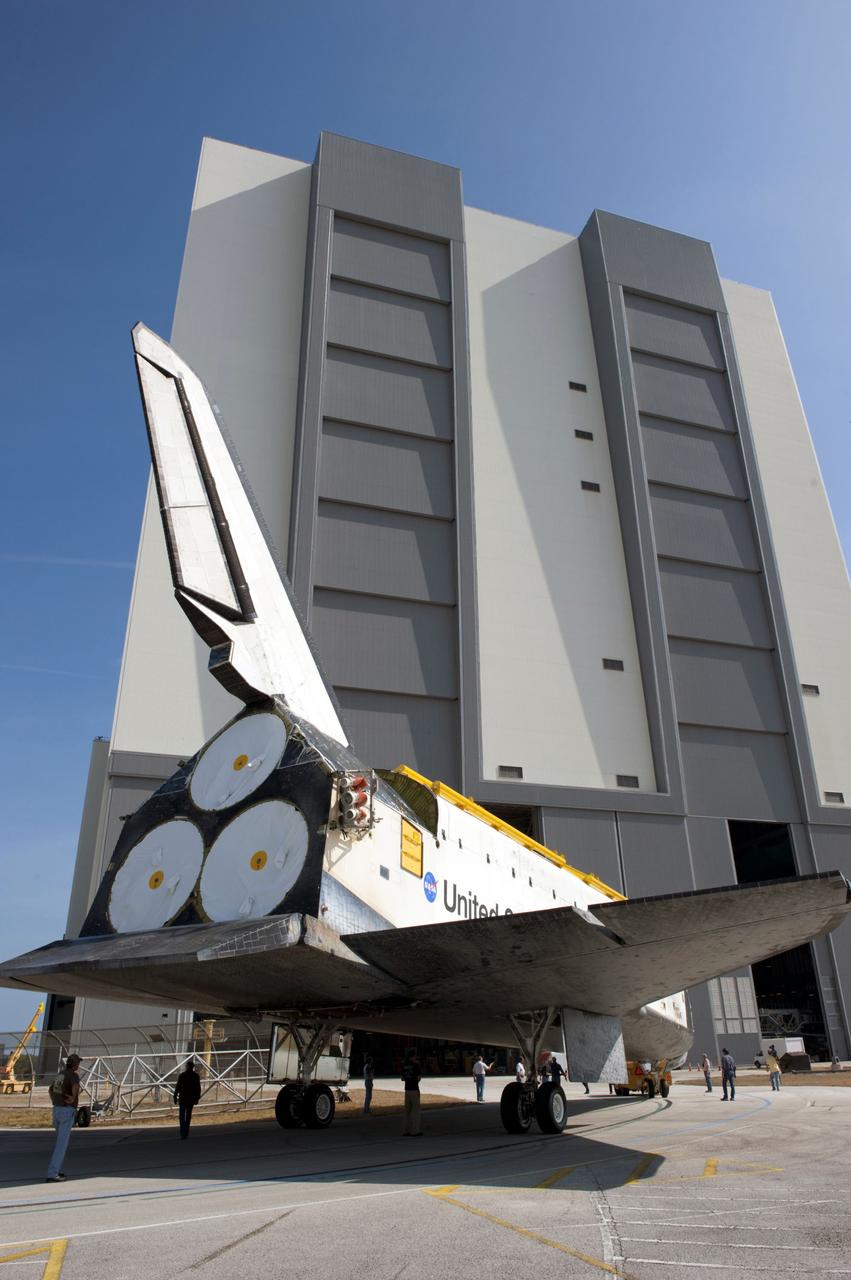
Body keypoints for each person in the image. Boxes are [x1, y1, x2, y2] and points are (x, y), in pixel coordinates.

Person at [47, 1053, 82, 1182]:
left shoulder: (60, 1074)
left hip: (56, 1109)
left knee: (59, 1143)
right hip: (66, 1111)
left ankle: (56, 1170)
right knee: (61, 1145)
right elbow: (75, 1087)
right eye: (78, 1063)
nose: (79, 1065)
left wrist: (55, 1101)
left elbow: (50, 1090)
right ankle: (53, 1173)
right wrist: (73, 1098)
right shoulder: (73, 1075)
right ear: (75, 1064)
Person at [173, 1059, 202, 1138]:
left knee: (182, 1116)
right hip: (190, 1099)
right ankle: (186, 1131)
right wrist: (197, 1098)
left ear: (187, 1067)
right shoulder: (195, 1076)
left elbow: (178, 1087)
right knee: (188, 1116)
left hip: (183, 1098)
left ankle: (183, 1132)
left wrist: (175, 1096)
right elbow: (198, 1088)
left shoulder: (182, 1075)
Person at [401, 1049, 422, 1136]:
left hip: (407, 1089)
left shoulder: (404, 1065)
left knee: (407, 1111)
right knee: (415, 1110)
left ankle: (405, 1130)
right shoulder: (416, 1065)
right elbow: (418, 1078)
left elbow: (402, 1078)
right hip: (414, 1088)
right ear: (414, 1056)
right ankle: (415, 1131)